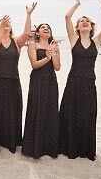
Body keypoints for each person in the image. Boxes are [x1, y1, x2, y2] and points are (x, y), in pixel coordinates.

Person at [59, 0, 101, 161]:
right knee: (72, 114)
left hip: (90, 83)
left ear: (91, 26)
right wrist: (76, 4)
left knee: (87, 116)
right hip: (73, 82)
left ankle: (86, 150)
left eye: (87, 21)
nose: (85, 22)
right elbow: (67, 18)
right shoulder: (74, 39)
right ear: (78, 27)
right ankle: (70, 148)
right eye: (82, 21)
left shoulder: (96, 42)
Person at [0, 2, 37, 153]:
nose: (6, 26)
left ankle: (11, 141)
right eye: (3, 24)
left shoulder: (16, 42)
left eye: (8, 24)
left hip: (13, 82)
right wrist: (1, 28)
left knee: (12, 112)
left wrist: (28, 15)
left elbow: (28, 33)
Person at [22, 23, 61, 159]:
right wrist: (47, 57)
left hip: (51, 81)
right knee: (36, 110)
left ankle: (49, 147)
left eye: (48, 28)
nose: (46, 29)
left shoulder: (55, 46)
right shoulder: (33, 44)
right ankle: (34, 147)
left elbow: (57, 67)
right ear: (38, 32)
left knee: (50, 111)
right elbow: (34, 65)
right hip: (38, 80)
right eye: (43, 27)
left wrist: (53, 52)